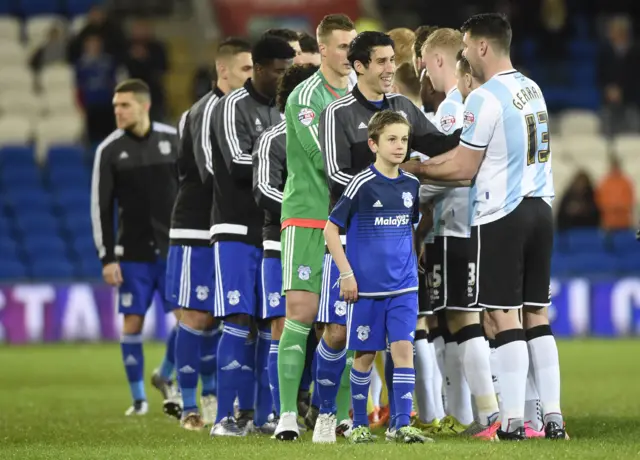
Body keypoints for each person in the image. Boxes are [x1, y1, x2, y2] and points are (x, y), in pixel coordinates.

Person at [419, 13, 567, 440]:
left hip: (503, 213)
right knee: (536, 314)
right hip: (541, 209)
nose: (463, 53)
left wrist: (415, 168)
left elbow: (464, 168)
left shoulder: (484, 98)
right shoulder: (530, 87)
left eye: (465, 46)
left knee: (502, 319)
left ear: (482, 46)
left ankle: (515, 423)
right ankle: (551, 419)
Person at [315, 30, 461, 443]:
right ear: (359, 66)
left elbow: (438, 142)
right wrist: (390, 179)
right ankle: (327, 412)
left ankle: (398, 421)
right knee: (339, 334)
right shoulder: (337, 113)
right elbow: (336, 175)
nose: (389, 68)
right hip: (351, 240)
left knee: (399, 343)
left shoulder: (403, 108)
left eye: (391, 60)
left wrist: (476, 136)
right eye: (380, 61)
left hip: (392, 250)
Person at [205, 35, 295, 437]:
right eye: (277, 71)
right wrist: (279, 152)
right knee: (238, 320)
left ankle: (262, 417)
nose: (281, 79)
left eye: (287, 72)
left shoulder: (288, 107)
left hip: (273, 231)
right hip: (236, 229)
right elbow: (238, 162)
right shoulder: (229, 107)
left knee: (271, 321)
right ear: (257, 67)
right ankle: (225, 416)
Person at [275, 13, 357, 442]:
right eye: (343, 46)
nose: (349, 55)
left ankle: (338, 415)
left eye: (353, 46)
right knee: (301, 315)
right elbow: (323, 157)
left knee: (341, 321)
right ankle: (287, 414)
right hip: (307, 216)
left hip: (347, 220)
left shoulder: (361, 95)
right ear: (323, 49)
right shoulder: (305, 98)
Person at [165, 38, 253, 431]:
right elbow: (209, 173)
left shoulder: (247, 109)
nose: (252, 77)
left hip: (231, 224)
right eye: (246, 70)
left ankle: (220, 394)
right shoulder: (206, 111)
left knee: (231, 316)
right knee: (197, 314)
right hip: (198, 226)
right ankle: (188, 405)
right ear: (224, 71)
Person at [324, 110, 426, 444]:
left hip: (404, 287)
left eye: (404, 140)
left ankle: (401, 424)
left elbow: (410, 227)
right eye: (392, 139)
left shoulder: (412, 184)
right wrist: (347, 274)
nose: (400, 146)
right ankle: (360, 425)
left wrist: (412, 261)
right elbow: (330, 229)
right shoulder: (361, 184)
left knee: (403, 350)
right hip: (365, 290)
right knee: (365, 355)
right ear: (373, 144)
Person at [90, 79, 179, 416]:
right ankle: (139, 399)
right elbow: (100, 208)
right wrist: (107, 257)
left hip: (173, 251)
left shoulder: (173, 139)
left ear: (144, 105)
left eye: (124, 105)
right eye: (115, 106)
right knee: (132, 324)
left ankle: (165, 374)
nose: (118, 112)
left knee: (190, 320)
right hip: (134, 254)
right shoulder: (109, 150)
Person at [252, 62, 321, 426]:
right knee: (282, 325)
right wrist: (302, 211)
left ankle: (318, 408)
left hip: (326, 238)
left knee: (327, 325)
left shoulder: (329, 136)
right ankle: (279, 413)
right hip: (281, 242)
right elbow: (263, 189)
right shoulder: (273, 138)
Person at [421, 27, 479, 435]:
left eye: (423, 62)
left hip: (451, 225)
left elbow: (453, 172)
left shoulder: (450, 109)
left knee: (457, 318)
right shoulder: (475, 102)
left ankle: (468, 414)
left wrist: (405, 182)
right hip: (475, 222)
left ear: (437, 60)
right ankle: (473, 412)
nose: (422, 72)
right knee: (466, 320)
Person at [595, 156, 634, 231]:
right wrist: (612, 207)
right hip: (608, 222)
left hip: (624, 222)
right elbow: (599, 201)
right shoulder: (604, 182)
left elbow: (630, 200)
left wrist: (619, 206)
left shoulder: (626, 182)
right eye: (613, 166)